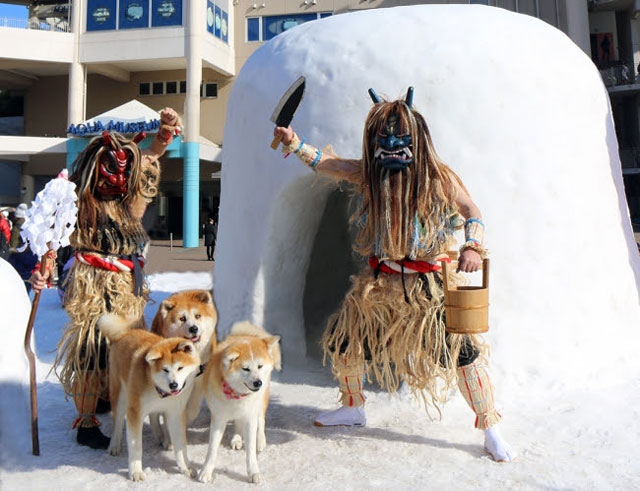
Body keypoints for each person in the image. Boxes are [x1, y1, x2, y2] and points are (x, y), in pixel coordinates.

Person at [273, 87, 515, 462]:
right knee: (344, 343)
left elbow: (471, 210)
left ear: (417, 138)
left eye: (399, 139)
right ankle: (353, 408)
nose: (391, 146)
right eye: (382, 139)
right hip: (378, 286)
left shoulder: (438, 179)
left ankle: (490, 427)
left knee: (462, 353)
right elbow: (326, 163)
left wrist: (471, 246)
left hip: (427, 290)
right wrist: (295, 142)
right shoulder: (369, 175)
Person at [30, 107, 181, 449]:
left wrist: (164, 134)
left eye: (122, 170)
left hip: (127, 284)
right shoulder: (78, 201)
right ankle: (86, 421)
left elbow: (147, 159)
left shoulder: (129, 202)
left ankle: (106, 394)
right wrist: (42, 272)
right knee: (91, 348)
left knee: (128, 343)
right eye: (109, 168)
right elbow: (53, 238)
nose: (116, 177)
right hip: (92, 285)